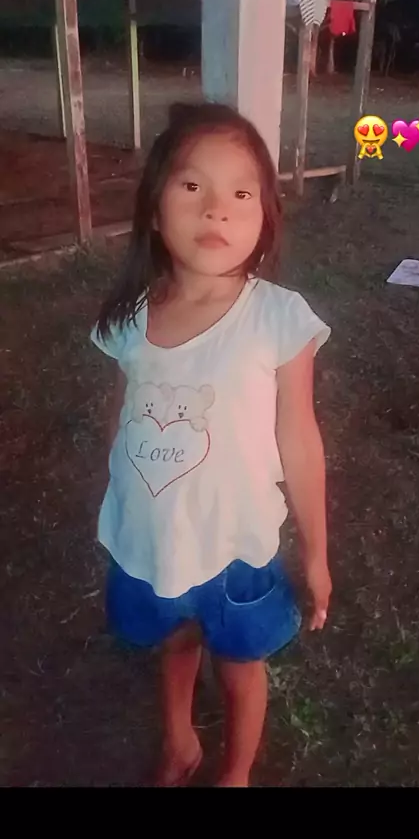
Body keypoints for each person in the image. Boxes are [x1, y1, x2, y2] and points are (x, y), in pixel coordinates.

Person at [91, 101, 332, 788]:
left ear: (265, 218)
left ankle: (236, 776)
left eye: (241, 194)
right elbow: (122, 416)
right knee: (174, 643)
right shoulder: (131, 318)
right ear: (154, 207)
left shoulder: (278, 318)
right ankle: (179, 741)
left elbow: (299, 438)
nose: (216, 209)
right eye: (192, 185)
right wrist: (124, 505)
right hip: (152, 540)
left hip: (236, 549)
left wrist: (316, 553)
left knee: (239, 663)